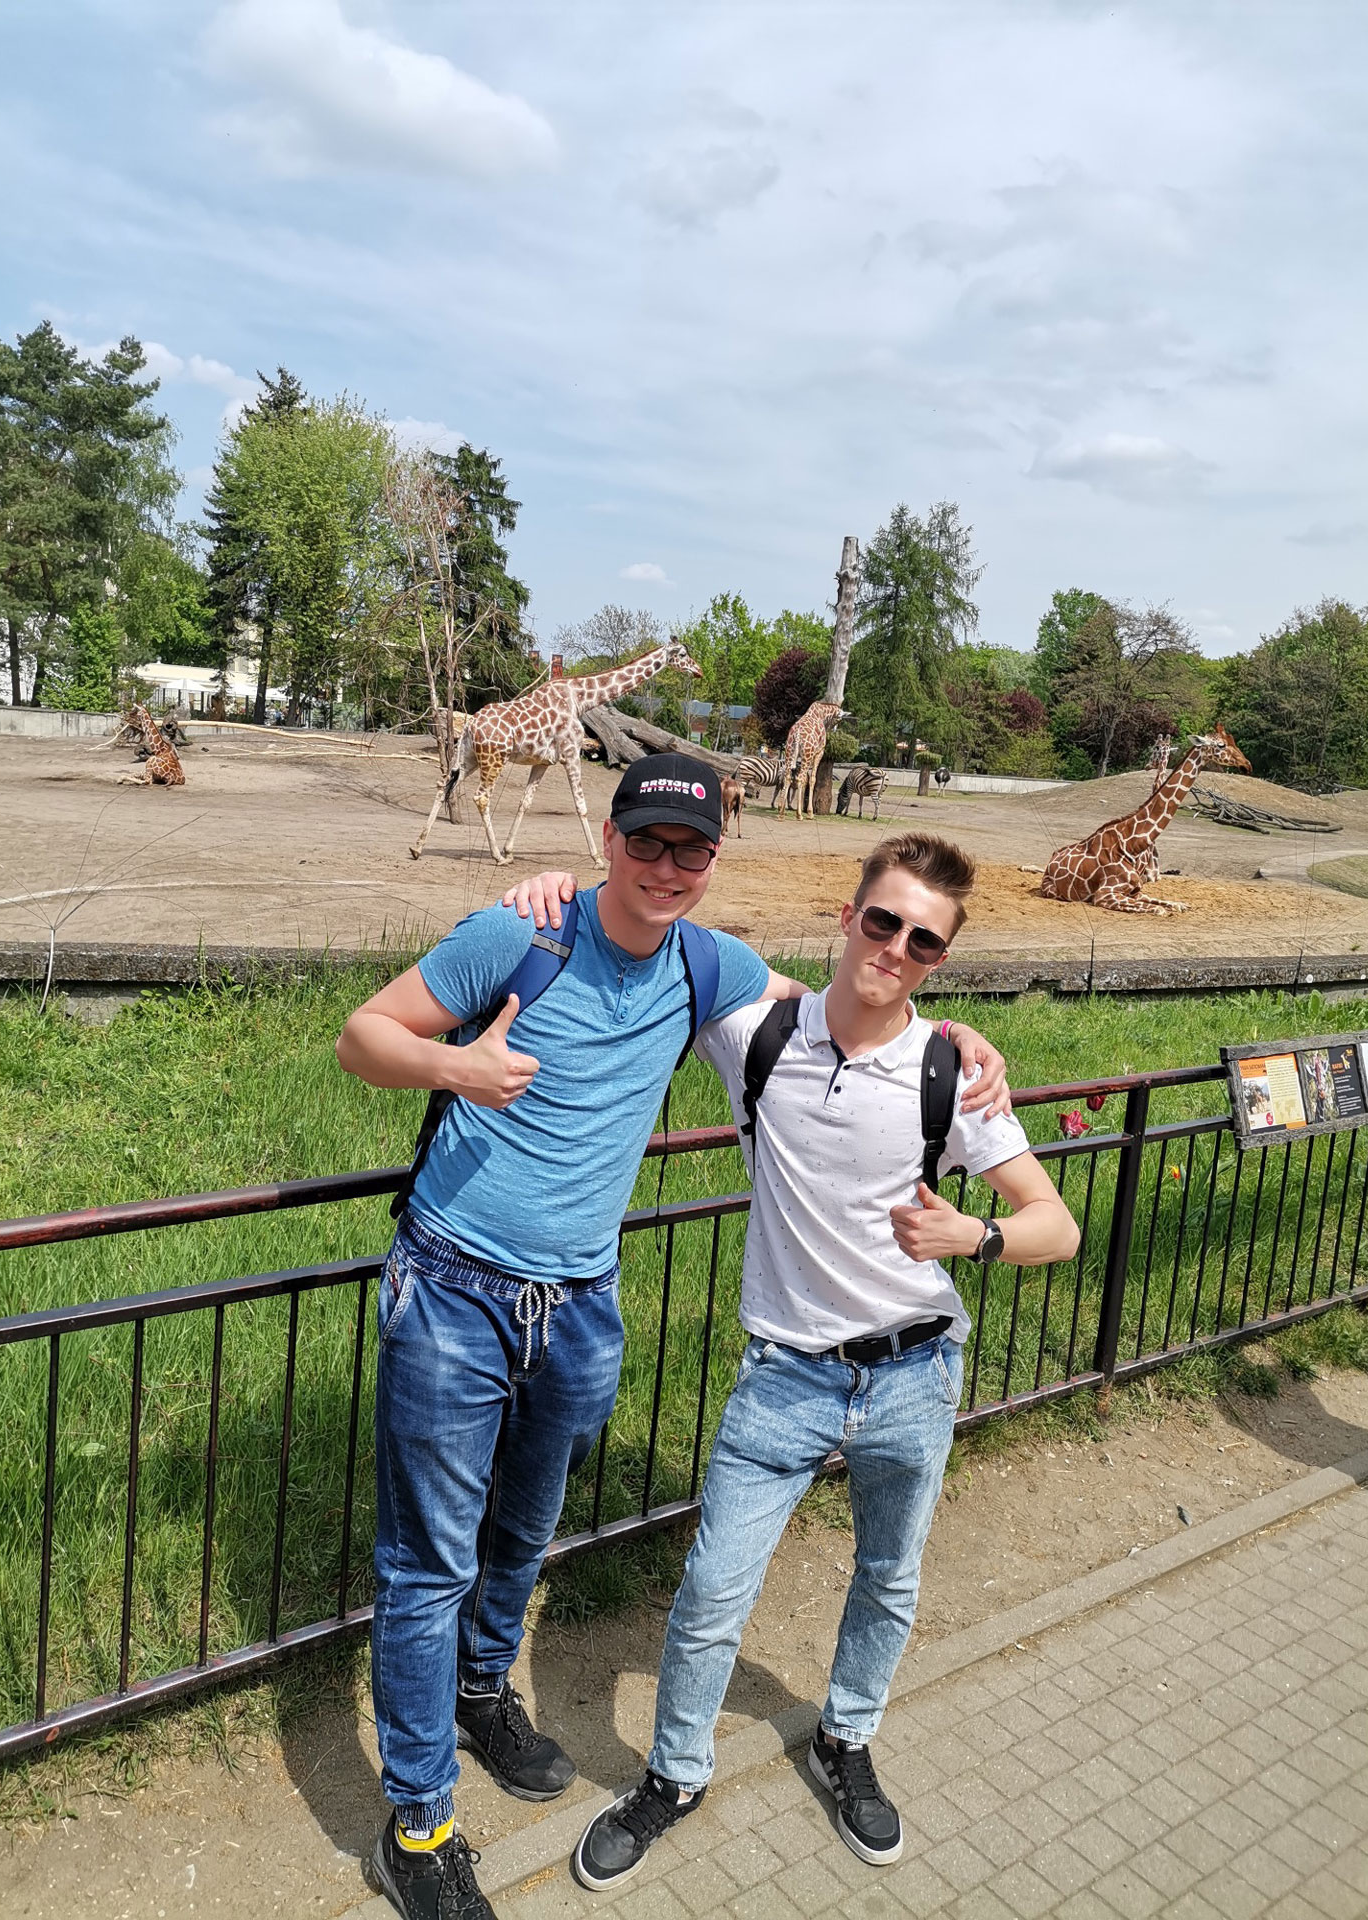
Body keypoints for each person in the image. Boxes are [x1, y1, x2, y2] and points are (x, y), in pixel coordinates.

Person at [335, 761, 1008, 1920]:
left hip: (580, 1305)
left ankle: (482, 1688)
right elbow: (361, 1035)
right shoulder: (520, 933)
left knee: (526, 1525)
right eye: (646, 841)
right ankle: (419, 1825)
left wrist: (951, 1034)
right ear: (609, 838)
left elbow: (839, 1003)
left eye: (689, 850)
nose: (665, 866)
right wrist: (458, 1067)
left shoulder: (707, 963)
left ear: (712, 862)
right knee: (427, 1562)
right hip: (452, 1290)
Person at [518, 831, 1079, 1892]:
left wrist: (977, 1236)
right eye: (884, 921)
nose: (896, 949)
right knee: (711, 1592)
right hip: (784, 1378)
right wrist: (558, 888)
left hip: (913, 1374)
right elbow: (650, 924)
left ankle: (844, 1739)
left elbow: (1058, 1225)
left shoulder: (951, 1074)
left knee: (889, 1577)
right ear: (847, 917)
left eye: (924, 941)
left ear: (940, 959)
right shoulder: (757, 1031)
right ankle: (675, 1775)